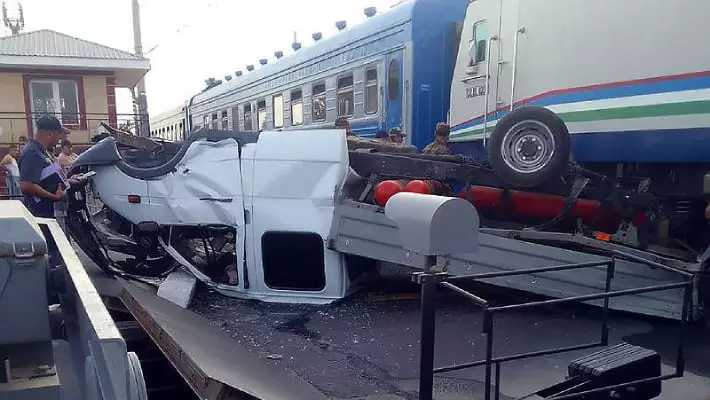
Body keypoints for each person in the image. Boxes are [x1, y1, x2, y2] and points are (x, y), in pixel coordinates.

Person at [18, 115, 71, 218]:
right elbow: (26, 185)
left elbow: (46, 177)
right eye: (59, 134)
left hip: (46, 210)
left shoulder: (41, 151)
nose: (60, 138)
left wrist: (68, 181)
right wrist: (54, 196)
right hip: (39, 214)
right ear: (50, 134)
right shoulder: (32, 152)